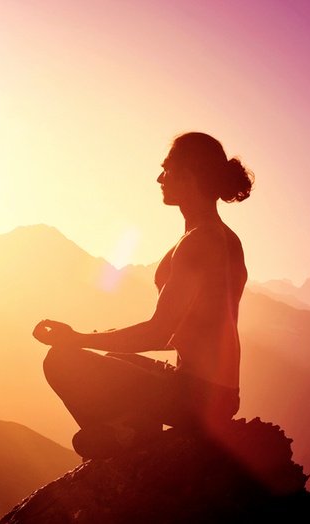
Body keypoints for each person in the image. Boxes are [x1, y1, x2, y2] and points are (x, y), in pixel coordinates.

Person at [32, 132, 254, 460]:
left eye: (167, 169)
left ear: (189, 174)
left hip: (196, 396)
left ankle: (125, 440)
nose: (160, 178)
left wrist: (76, 339)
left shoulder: (199, 242)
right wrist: (99, 338)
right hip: (216, 393)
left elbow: (157, 332)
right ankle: (128, 430)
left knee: (61, 360)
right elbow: (194, 330)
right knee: (112, 359)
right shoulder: (221, 237)